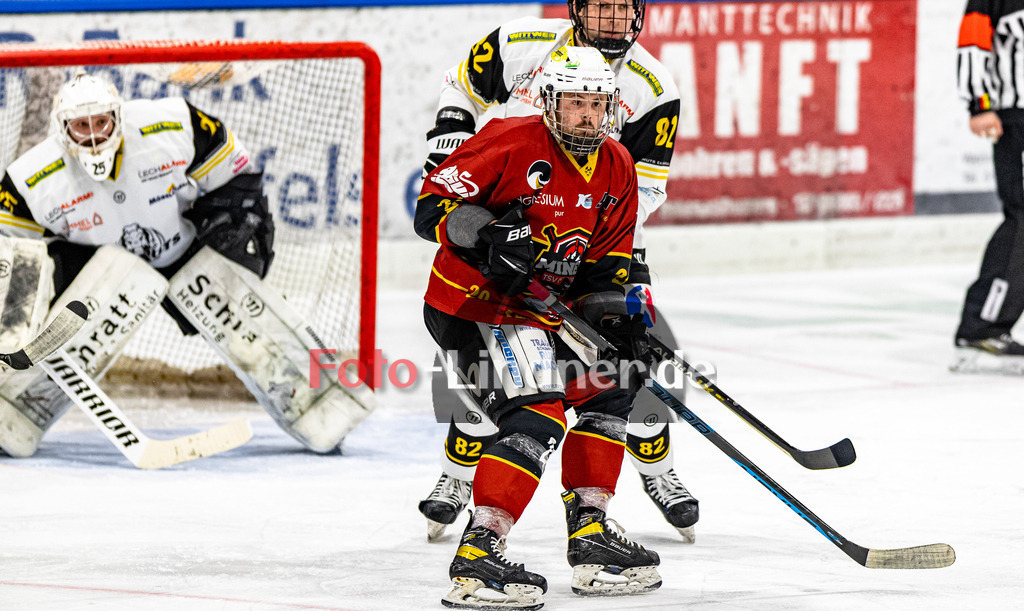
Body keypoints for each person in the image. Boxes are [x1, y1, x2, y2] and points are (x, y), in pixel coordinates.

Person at [417, 0, 700, 543]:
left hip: (582, 245)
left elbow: (636, 194)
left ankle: (651, 477)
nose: (613, 21)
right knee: (508, 384)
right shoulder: (518, 43)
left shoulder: (652, 88)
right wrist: (469, 206)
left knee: (625, 365)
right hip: (497, 243)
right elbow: (460, 95)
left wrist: (595, 278)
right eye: (601, 7)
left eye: (624, 9)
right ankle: (460, 480)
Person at [0, 71, 373, 459]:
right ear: (63, 130)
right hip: (99, 267)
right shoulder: (29, 179)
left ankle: (323, 408)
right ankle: (14, 412)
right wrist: (24, 310)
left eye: (101, 122)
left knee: (241, 317)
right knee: (76, 332)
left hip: (185, 246)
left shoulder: (170, 124)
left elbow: (233, 171)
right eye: (81, 125)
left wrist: (234, 219)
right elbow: (14, 256)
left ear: (118, 116)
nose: (93, 135)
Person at [952, 0, 1024, 374]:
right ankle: (982, 325)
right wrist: (980, 104)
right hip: (1018, 117)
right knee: (1022, 218)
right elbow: (972, 44)